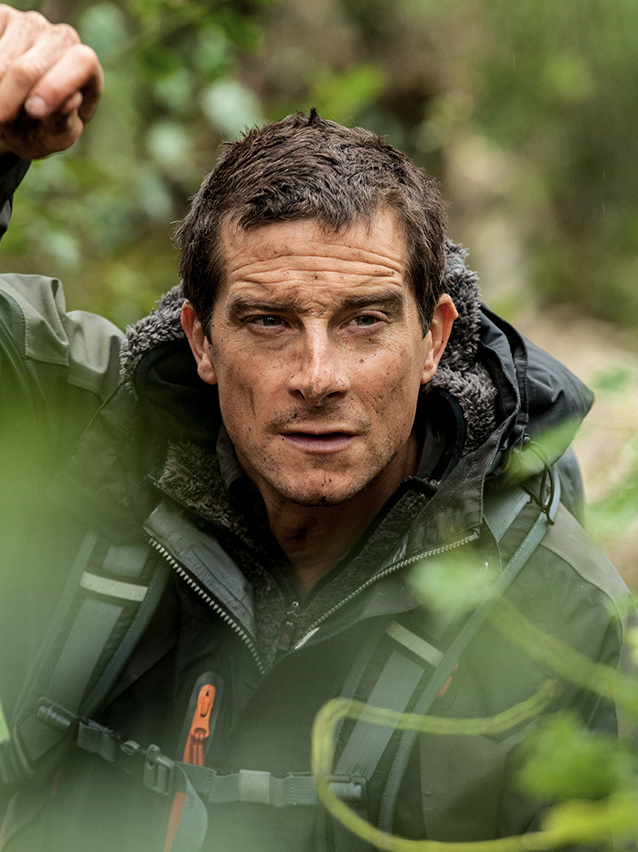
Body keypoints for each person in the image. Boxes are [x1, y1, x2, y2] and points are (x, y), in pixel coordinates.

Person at [0, 6, 634, 852]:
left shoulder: (557, 609)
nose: (318, 376)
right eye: (268, 322)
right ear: (200, 340)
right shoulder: (95, 441)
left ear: (434, 337)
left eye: (365, 319)